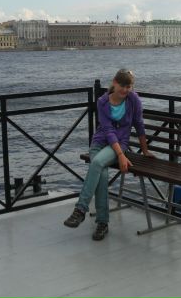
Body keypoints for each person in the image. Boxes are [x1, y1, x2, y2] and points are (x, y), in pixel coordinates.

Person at [63, 69, 154, 240]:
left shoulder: (133, 100)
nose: (125, 90)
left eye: (128, 86)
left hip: (119, 144)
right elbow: (107, 130)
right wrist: (121, 155)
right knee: (102, 174)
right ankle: (102, 223)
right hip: (99, 143)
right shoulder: (102, 102)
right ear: (114, 82)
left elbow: (139, 124)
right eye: (122, 85)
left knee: (97, 163)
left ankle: (80, 210)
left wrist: (144, 150)